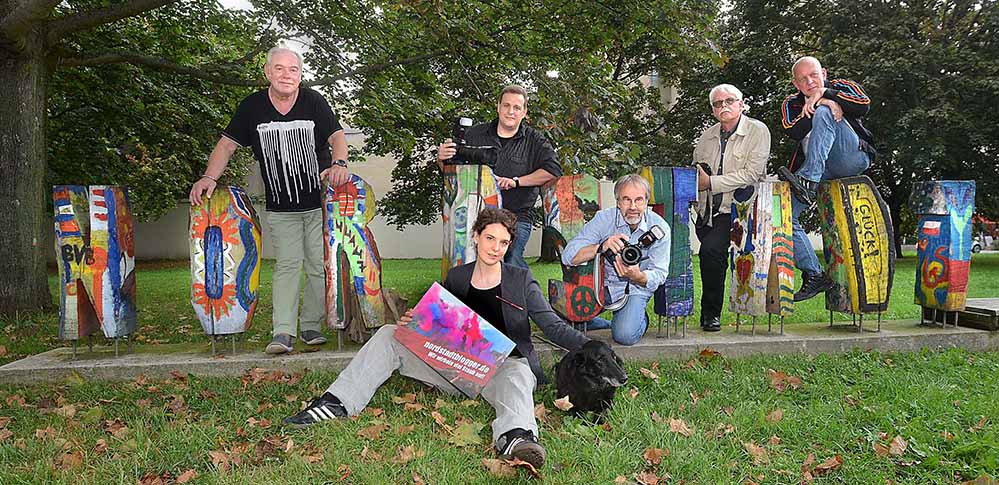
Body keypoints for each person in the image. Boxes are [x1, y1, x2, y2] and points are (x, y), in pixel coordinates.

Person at [282, 208, 590, 469]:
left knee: (519, 371)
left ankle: (516, 437)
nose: (496, 248)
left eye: (503, 242)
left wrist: (592, 346)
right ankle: (337, 403)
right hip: (456, 369)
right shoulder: (458, 277)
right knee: (390, 334)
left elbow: (552, 326)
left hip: (501, 371)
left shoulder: (520, 280)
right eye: (490, 238)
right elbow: (441, 324)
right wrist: (414, 323)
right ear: (476, 236)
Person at [189, 46, 350, 354]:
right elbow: (226, 145)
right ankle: (283, 332)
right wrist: (209, 177)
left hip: (319, 203)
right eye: (279, 68)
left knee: (318, 266)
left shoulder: (314, 101)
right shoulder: (252, 107)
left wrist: (339, 163)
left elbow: (337, 137)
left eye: (293, 70)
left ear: (300, 76)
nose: (286, 75)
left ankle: (311, 326)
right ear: (267, 72)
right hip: (281, 206)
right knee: (288, 265)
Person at [776, 56, 877, 302]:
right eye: (802, 79)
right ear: (795, 84)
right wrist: (821, 101)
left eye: (813, 75)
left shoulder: (842, 86)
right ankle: (814, 273)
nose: (809, 81)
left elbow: (863, 105)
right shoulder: (790, 103)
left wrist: (826, 96)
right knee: (782, 215)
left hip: (849, 157)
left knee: (823, 111)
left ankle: (808, 180)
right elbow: (793, 130)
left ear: (823, 72)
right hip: (819, 167)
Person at [436, 85, 562, 269]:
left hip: (516, 216)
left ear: (524, 112)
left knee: (510, 259)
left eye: (517, 107)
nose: (511, 111)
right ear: (498, 107)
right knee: (463, 261)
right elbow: (451, 171)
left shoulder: (535, 140)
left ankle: (520, 287)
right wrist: (442, 158)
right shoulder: (473, 134)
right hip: (475, 215)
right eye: (506, 105)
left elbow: (553, 171)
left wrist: (516, 181)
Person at [692, 84, 770, 331]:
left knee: (710, 251)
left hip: (740, 212)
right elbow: (696, 171)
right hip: (708, 213)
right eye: (718, 103)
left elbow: (752, 174)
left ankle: (710, 315)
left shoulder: (757, 131)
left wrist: (711, 183)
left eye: (729, 101)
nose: (723, 106)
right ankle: (710, 313)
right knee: (712, 259)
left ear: (741, 104)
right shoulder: (706, 137)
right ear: (713, 110)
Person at [561, 174, 670, 345]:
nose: (633, 207)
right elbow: (568, 256)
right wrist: (601, 247)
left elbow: (660, 273)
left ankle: (638, 318)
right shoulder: (603, 219)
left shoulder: (659, 228)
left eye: (639, 200)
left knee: (624, 335)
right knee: (561, 317)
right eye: (626, 200)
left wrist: (638, 276)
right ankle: (598, 321)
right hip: (602, 286)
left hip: (636, 288)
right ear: (618, 202)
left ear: (646, 202)